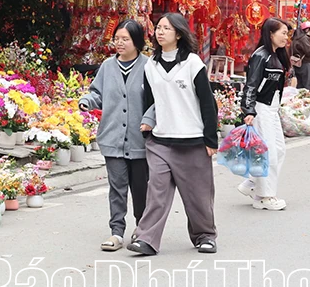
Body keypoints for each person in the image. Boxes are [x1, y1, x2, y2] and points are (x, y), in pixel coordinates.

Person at [128, 13, 219, 256]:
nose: (160, 32)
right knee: (156, 192)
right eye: (158, 28)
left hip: (193, 142)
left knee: (198, 196)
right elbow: (150, 101)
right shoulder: (151, 65)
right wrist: (148, 124)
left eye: (166, 28)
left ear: (178, 33)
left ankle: (205, 236)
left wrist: (210, 139)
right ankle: (146, 238)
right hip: (160, 142)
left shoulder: (192, 63)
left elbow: (207, 102)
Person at [79, 19, 150, 252]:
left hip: (140, 141)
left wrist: (150, 120)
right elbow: (96, 93)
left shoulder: (149, 67)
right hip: (112, 138)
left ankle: (142, 230)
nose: (119, 43)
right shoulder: (108, 66)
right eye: (117, 38)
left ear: (137, 41)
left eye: (125, 39)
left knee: (140, 189)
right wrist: (87, 102)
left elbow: (158, 101)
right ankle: (116, 232)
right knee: (117, 187)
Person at [238, 18, 290, 211]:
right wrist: (249, 110)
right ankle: (264, 196)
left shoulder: (277, 55)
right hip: (261, 109)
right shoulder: (261, 56)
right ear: (271, 34)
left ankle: (252, 183)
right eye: (283, 33)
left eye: (287, 33)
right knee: (269, 153)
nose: (286, 37)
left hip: (272, 109)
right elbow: (251, 85)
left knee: (279, 149)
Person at [289, 21, 310, 92]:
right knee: (309, 86)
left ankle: (302, 100)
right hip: (305, 63)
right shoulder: (303, 38)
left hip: (298, 64)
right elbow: (309, 51)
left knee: (301, 85)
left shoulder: (296, 38)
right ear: (307, 30)